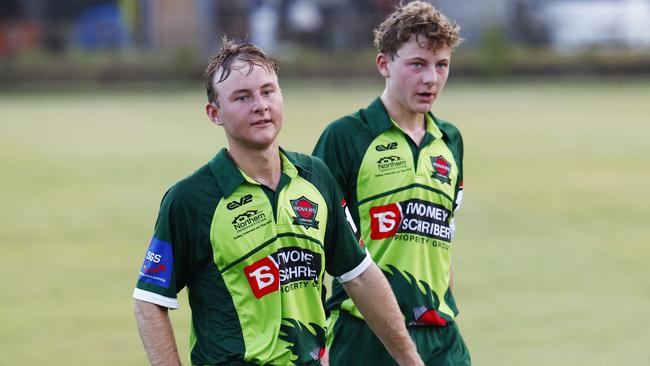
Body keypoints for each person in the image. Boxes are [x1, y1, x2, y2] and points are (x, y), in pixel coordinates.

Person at [133, 37, 424, 366]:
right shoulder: (189, 200)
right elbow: (149, 302)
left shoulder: (316, 177)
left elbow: (359, 275)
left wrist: (411, 361)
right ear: (215, 113)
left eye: (268, 91)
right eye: (242, 97)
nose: (260, 105)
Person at [312, 2, 471, 365]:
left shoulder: (450, 141)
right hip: (364, 334)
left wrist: (446, 306)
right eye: (417, 64)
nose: (431, 79)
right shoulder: (345, 137)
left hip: (441, 333)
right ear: (384, 64)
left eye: (441, 65)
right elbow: (314, 244)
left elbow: (442, 237)